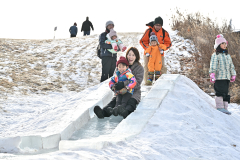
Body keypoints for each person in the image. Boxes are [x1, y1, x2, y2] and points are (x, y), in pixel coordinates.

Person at [94, 47, 144, 118]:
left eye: (133, 55)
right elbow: (114, 78)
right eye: (129, 55)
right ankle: (103, 112)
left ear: (136, 57)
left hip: (133, 92)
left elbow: (137, 84)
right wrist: (115, 87)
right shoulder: (120, 66)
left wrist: (123, 84)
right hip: (120, 91)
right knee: (114, 102)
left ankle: (125, 112)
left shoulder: (139, 68)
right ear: (127, 55)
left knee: (131, 103)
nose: (131, 57)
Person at [139, 16, 172, 85]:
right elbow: (142, 41)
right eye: (156, 25)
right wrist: (148, 48)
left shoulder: (164, 32)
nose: (158, 26)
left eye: (159, 25)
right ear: (154, 24)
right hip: (148, 53)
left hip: (159, 54)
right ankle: (147, 84)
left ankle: (161, 83)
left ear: (161, 26)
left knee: (162, 68)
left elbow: (168, 43)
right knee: (147, 67)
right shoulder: (149, 31)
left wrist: (162, 48)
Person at [209, 34, 236, 115]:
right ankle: (220, 107)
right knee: (220, 92)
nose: (224, 45)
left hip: (226, 77)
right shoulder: (215, 55)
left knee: (225, 93)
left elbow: (231, 66)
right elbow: (213, 65)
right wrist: (212, 74)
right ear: (218, 45)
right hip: (219, 77)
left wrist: (233, 74)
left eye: (225, 44)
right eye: (222, 44)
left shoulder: (227, 55)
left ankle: (225, 108)